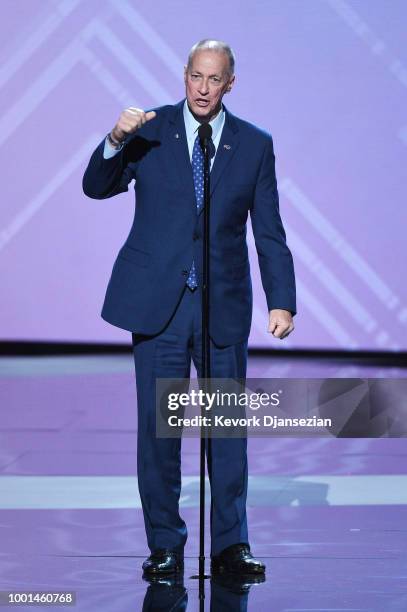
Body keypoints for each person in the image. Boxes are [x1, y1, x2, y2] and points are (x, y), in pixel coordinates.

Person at [82, 39, 296, 577]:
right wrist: (114, 138)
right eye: (195, 77)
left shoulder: (254, 144)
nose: (202, 89)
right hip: (160, 304)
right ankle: (165, 544)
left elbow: (269, 232)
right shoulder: (150, 130)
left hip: (221, 303)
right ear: (185, 75)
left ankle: (230, 544)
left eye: (214, 79)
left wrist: (283, 303)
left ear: (230, 83)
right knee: (159, 431)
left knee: (226, 428)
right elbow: (96, 186)